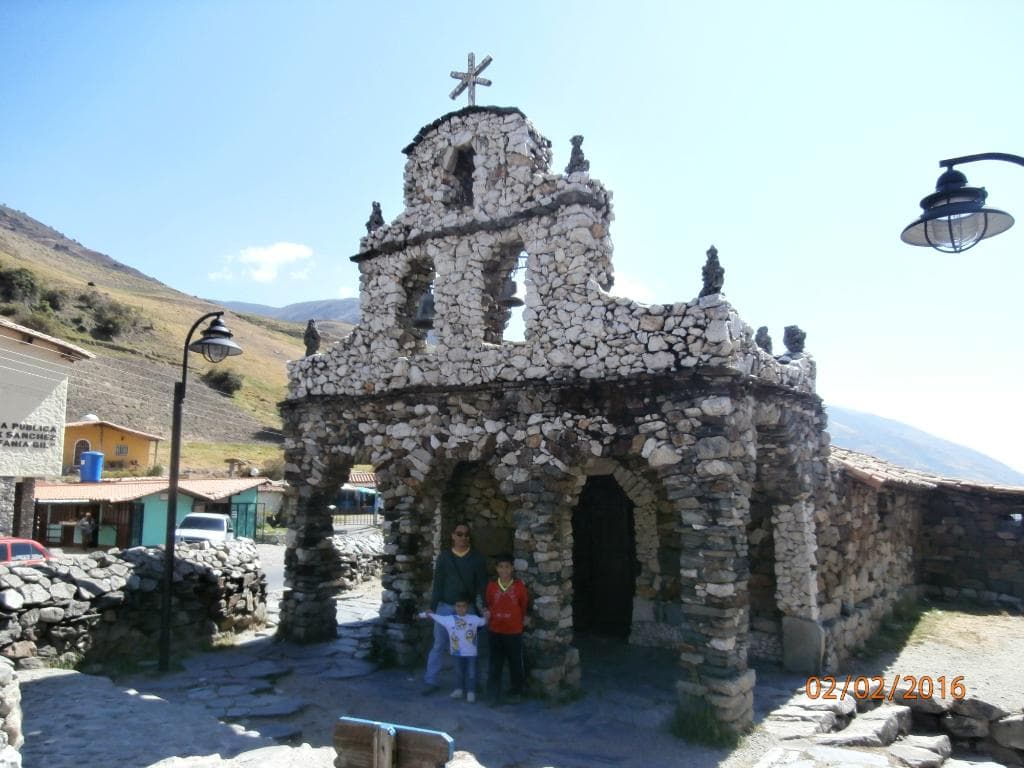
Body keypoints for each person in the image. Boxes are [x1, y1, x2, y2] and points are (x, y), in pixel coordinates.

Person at [423, 520, 488, 696]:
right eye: (459, 534)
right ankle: (431, 680)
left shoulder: (477, 559)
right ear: (453, 536)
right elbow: (438, 584)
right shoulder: (444, 557)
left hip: (468, 608)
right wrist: (432, 607)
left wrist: (486, 607)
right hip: (445, 606)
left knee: (471, 647)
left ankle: (473, 684)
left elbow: (483, 586)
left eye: (466, 535)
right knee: (439, 644)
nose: (463, 537)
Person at [419, 595, 488, 702]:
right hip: (457, 652)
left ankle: (471, 691)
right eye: (458, 606)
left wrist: (487, 615)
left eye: (463, 606)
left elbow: (484, 621)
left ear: (467, 607)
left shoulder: (474, 619)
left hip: (471, 653)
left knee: (471, 672)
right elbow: (436, 617)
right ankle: (459, 689)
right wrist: (424, 614)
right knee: (458, 672)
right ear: (454, 607)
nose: (461, 608)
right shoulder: (449, 620)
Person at [485, 553, 529, 705]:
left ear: (512, 569)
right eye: (501, 567)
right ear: (496, 569)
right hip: (495, 630)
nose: (504, 570)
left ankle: (517, 691)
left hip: (513, 631)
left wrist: (517, 620)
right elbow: (489, 603)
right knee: (495, 664)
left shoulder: (519, 587)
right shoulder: (491, 586)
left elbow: (523, 606)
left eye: (507, 567)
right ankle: (493, 694)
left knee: (515, 662)